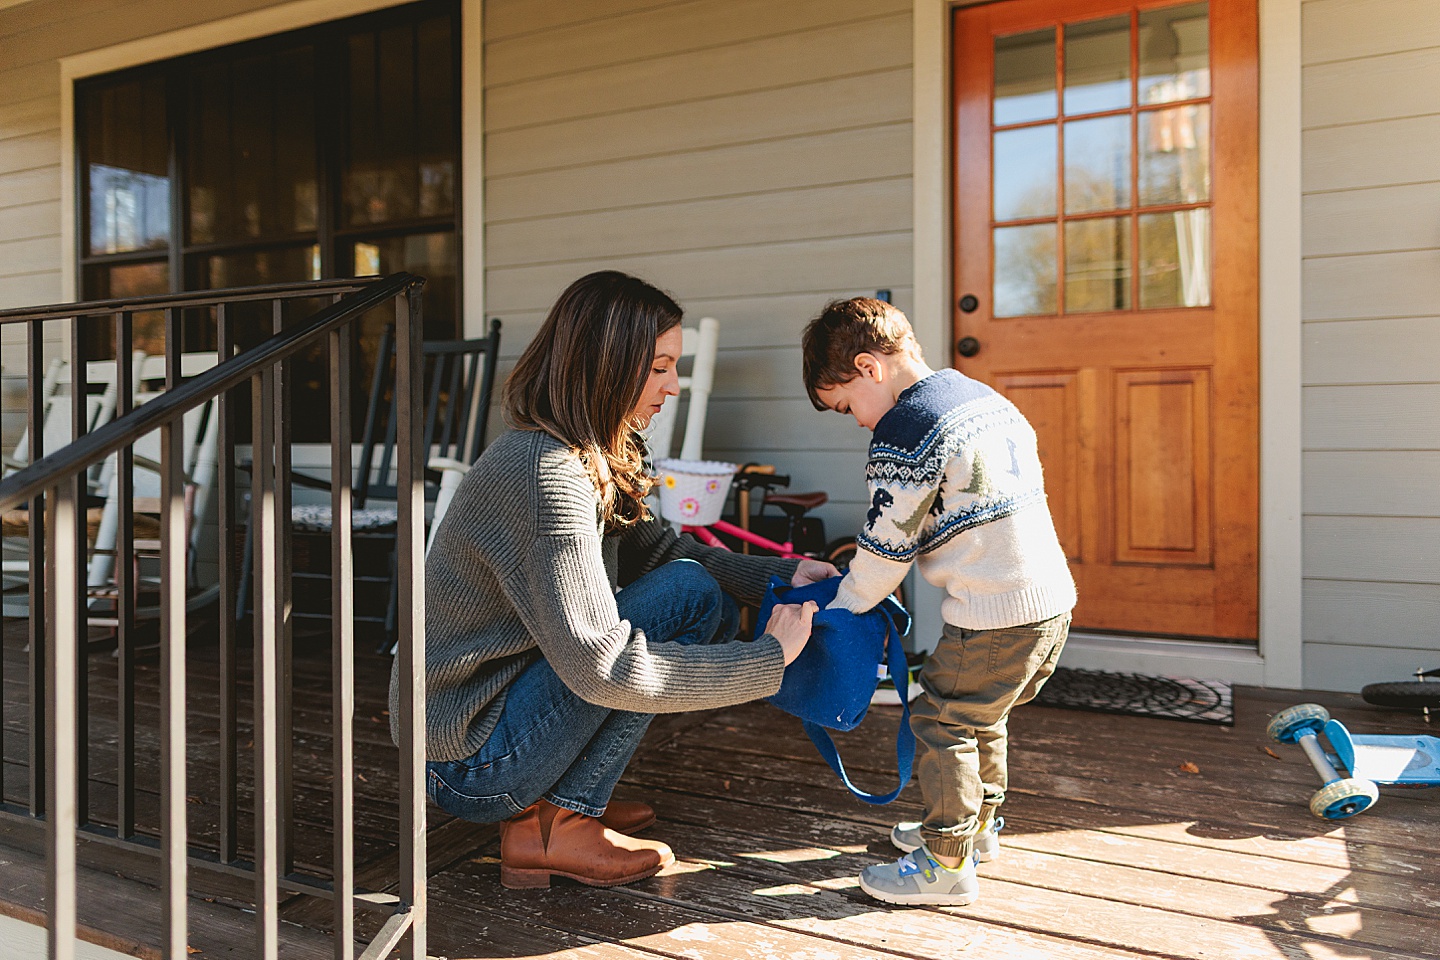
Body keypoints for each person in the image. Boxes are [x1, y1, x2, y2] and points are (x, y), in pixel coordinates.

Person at [393, 270, 838, 890]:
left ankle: (556, 809)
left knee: (691, 591)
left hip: (503, 709)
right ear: (606, 363)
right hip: (470, 758)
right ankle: (559, 824)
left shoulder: (591, 451)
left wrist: (781, 572)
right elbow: (601, 667)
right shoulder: (545, 476)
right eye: (658, 367)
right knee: (677, 608)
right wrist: (769, 659)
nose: (673, 386)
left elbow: (655, 551)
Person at [800, 297, 1075, 906]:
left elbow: (885, 545)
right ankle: (979, 829)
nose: (859, 423)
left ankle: (945, 863)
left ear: (869, 368)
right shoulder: (981, 398)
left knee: (943, 719)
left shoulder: (907, 432)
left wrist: (845, 604)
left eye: (847, 407)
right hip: (1048, 601)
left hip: (993, 614)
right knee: (984, 715)